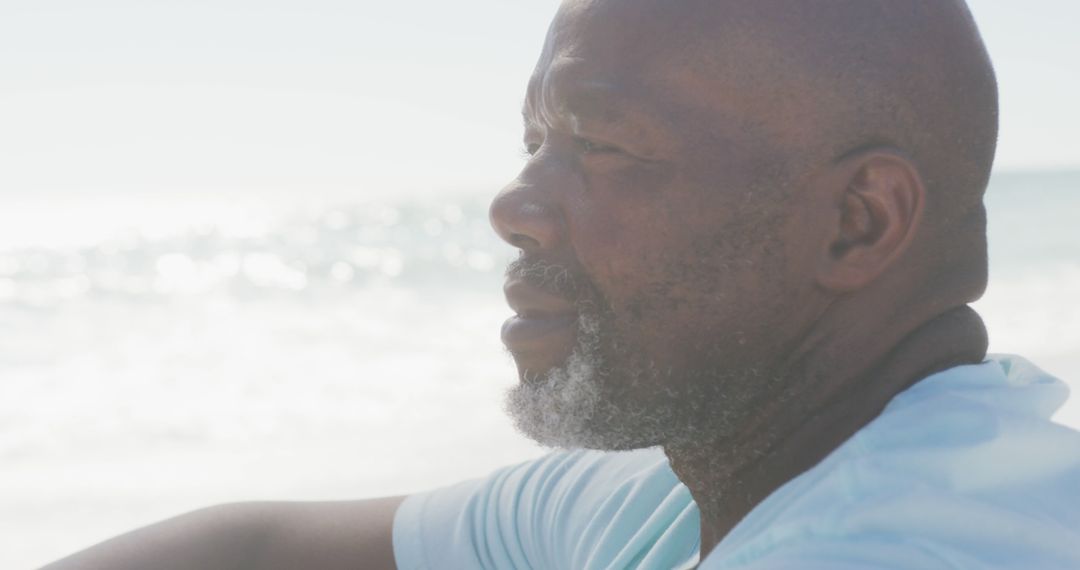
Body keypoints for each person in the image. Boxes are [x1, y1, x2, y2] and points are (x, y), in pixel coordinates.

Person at [46, 0, 1080, 568]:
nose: (514, 203)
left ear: (857, 223)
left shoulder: (905, 544)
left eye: (602, 143)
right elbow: (253, 551)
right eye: (536, 139)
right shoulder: (687, 495)